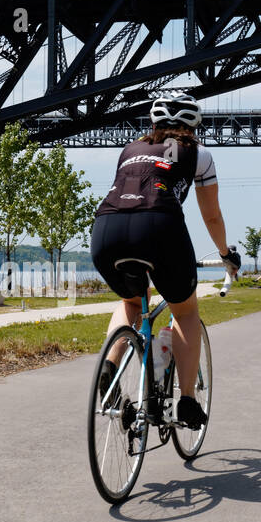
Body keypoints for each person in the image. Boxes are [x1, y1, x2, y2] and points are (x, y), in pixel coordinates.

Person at [89, 94, 240, 430]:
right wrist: (225, 254)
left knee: (131, 301)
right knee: (184, 310)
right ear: (193, 126)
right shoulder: (199, 155)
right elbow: (211, 216)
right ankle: (186, 401)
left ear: (153, 124)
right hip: (160, 227)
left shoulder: (129, 150)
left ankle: (109, 367)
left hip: (106, 229)